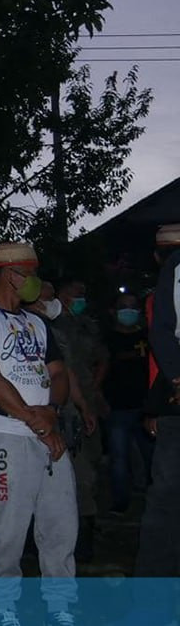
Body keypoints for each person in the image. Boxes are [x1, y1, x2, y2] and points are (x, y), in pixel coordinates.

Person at [0, 242, 75, 626]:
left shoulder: (38, 323)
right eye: (31, 273)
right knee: (7, 525)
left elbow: (58, 374)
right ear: (12, 274)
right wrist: (33, 419)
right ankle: (3, 604)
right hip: (5, 432)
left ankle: (60, 603)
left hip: (46, 431)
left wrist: (51, 412)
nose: (37, 283)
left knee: (60, 523)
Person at [136, 223, 180, 579]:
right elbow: (160, 347)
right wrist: (157, 403)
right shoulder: (164, 287)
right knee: (167, 497)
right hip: (172, 399)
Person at [53, 277, 106, 561]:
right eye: (76, 293)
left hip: (78, 404)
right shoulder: (46, 328)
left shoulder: (85, 326)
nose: (81, 298)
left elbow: (89, 364)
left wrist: (90, 399)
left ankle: (85, 528)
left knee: (86, 470)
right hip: (53, 411)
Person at [102, 291, 153, 516]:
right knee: (119, 460)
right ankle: (120, 502)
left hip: (147, 408)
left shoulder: (148, 337)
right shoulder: (107, 340)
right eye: (124, 306)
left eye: (133, 306)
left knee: (152, 458)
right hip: (117, 408)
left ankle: (154, 500)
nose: (129, 311)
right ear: (114, 311)